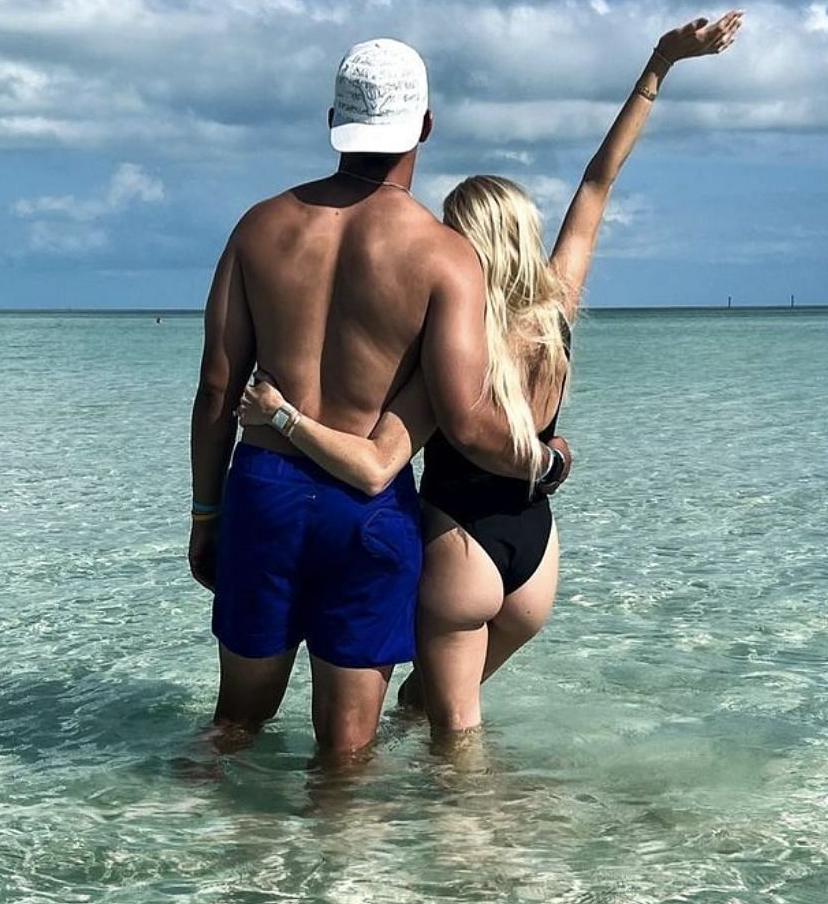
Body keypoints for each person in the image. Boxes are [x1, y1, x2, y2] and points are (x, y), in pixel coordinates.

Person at [239, 11, 743, 737]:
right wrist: (658, 67)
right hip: (536, 551)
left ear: (462, 247)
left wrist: (283, 414)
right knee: (425, 713)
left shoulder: (454, 339)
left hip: (460, 545)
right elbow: (598, 184)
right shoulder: (557, 311)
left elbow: (388, 457)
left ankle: (471, 841)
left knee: (457, 745)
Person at [189, 38, 572, 758]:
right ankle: (340, 870)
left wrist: (206, 513)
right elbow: (463, 418)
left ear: (334, 118)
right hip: (365, 509)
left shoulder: (258, 227)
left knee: (233, 727)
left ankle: (204, 857)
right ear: (424, 126)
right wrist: (544, 461)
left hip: (264, 489)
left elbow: (217, 386)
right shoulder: (442, 254)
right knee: (346, 759)